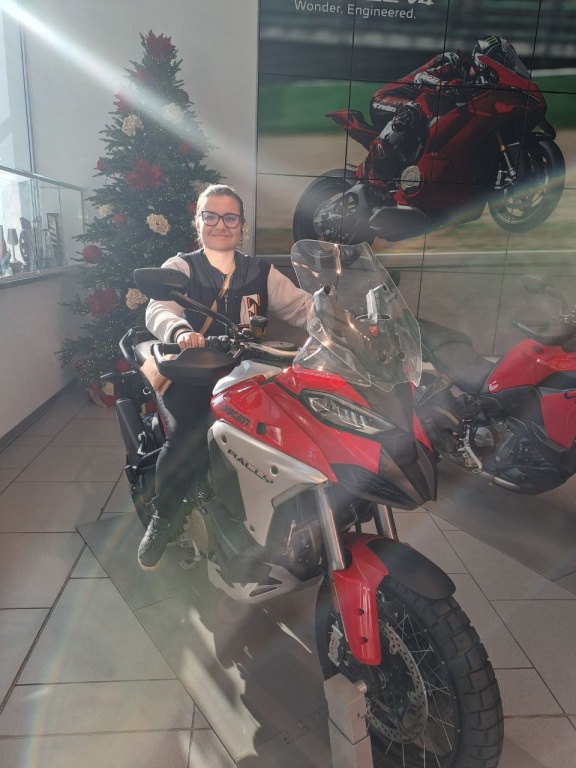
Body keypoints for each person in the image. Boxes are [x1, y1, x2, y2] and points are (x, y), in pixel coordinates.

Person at [138, 184, 312, 570]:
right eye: (211, 216)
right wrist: (180, 331)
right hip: (191, 372)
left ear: (242, 225)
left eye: (230, 217)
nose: (221, 225)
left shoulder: (260, 271)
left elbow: (302, 307)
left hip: (246, 374)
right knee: (187, 436)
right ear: (198, 222)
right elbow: (158, 309)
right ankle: (165, 517)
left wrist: (340, 319)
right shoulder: (182, 266)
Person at [362, 36, 507, 187]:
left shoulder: (475, 88)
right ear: (482, 59)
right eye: (498, 61)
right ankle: (373, 167)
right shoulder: (453, 61)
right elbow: (420, 78)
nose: (500, 66)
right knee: (412, 109)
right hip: (385, 99)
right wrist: (444, 85)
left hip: (419, 122)